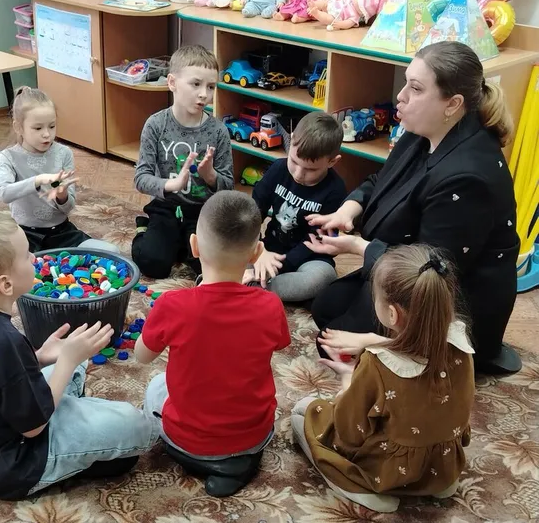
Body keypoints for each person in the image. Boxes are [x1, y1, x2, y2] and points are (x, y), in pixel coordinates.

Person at [306, 41, 521, 374]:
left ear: (453, 104)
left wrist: (359, 247)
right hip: (404, 260)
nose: (401, 96)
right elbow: (381, 180)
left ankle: (446, 362)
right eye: (406, 82)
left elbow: (432, 269)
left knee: (334, 344)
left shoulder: (467, 177)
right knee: (326, 307)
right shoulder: (423, 131)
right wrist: (348, 209)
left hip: (448, 297)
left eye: (416, 88)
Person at [0, 213, 159, 500]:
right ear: (5, 285)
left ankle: (76, 419)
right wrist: (66, 361)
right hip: (8, 464)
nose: (34, 259)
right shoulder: (0, 340)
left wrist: (38, 357)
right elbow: (34, 427)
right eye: (26, 255)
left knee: (74, 358)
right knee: (132, 424)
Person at [292, 245, 475, 513]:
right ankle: (439, 483)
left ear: (391, 314)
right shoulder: (461, 345)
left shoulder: (377, 364)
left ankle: (362, 487)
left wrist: (349, 382)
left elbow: (349, 433)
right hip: (442, 463)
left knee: (304, 412)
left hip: (387, 470)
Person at [136, 191, 291, 497]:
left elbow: (142, 356)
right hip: (253, 437)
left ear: (194, 246)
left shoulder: (172, 304)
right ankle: (234, 465)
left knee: (156, 386)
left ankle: (202, 460)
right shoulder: (271, 305)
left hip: (187, 441)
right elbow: (279, 345)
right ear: (257, 252)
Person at [132, 45, 234, 279]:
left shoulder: (218, 131)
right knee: (152, 263)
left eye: (211, 87)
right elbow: (141, 178)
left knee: (210, 265)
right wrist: (172, 185)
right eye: (196, 84)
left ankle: (179, 244)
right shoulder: (156, 125)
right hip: (164, 207)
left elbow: (228, 185)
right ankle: (143, 228)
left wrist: (211, 176)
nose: (204, 94)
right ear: (172, 83)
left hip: (202, 211)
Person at [0, 86, 119, 254]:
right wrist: (38, 180)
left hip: (62, 233)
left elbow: (68, 208)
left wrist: (62, 196)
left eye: (52, 126)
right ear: (18, 127)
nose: (47, 134)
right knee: (14, 265)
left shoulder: (63, 153)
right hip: (25, 235)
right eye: (38, 128)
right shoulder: (9, 156)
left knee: (111, 252)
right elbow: (4, 193)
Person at [245, 112, 347, 301]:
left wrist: (279, 267)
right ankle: (255, 281)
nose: (298, 174)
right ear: (291, 140)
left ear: (332, 162)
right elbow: (254, 210)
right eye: (293, 161)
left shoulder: (336, 190)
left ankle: (255, 286)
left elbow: (316, 240)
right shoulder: (278, 168)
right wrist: (257, 249)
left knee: (322, 277)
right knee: (233, 249)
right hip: (270, 248)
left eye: (311, 170)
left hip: (308, 257)